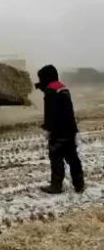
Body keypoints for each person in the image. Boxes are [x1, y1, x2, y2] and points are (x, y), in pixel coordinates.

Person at [35, 64, 85, 194]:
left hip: (58, 131)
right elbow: (67, 110)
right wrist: (75, 130)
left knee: (56, 157)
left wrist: (48, 129)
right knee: (72, 157)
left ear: (46, 78)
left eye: (41, 79)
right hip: (70, 128)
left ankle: (56, 186)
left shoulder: (50, 91)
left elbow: (50, 112)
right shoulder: (62, 88)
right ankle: (79, 184)